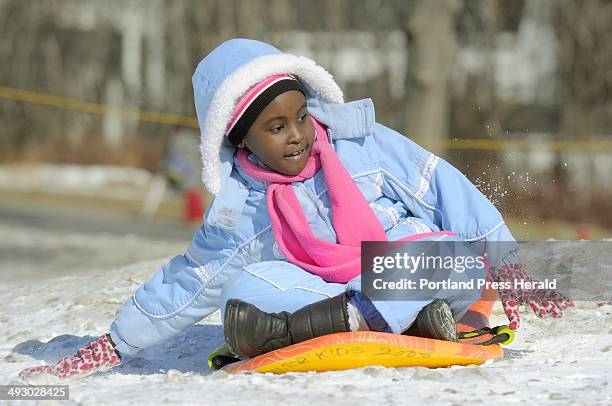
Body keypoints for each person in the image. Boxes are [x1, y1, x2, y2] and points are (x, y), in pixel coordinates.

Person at [18, 39, 572, 381]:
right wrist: (113, 344)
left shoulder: (363, 145)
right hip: (330, 292)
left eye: (302, 117)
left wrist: (508, 265)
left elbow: (443, 186)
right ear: (240, 140)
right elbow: (191, 281)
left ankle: (351, 321)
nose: (298, 136)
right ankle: (401, 322)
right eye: (275, 128)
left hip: (409, 264)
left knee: (447, 255)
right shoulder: (242, 207)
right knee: (244, 286)